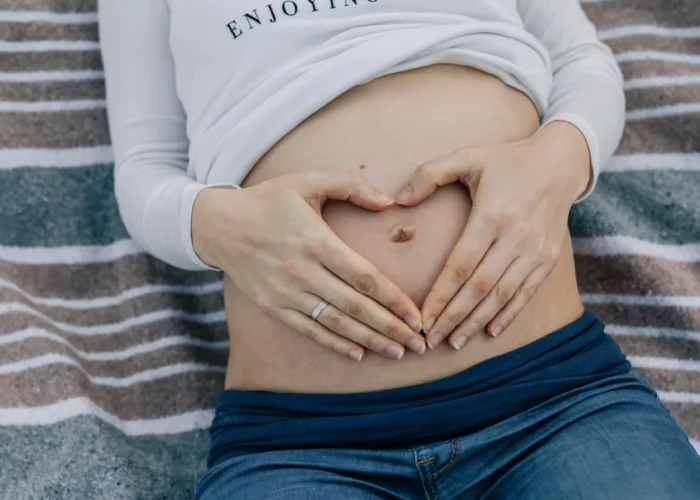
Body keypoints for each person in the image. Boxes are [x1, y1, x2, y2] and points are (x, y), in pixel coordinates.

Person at [99, 1, 700, 498]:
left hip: (556, 400)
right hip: (300, 445)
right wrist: (225, 225)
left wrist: (558, 163)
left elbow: (581, 61)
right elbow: (146, 170)